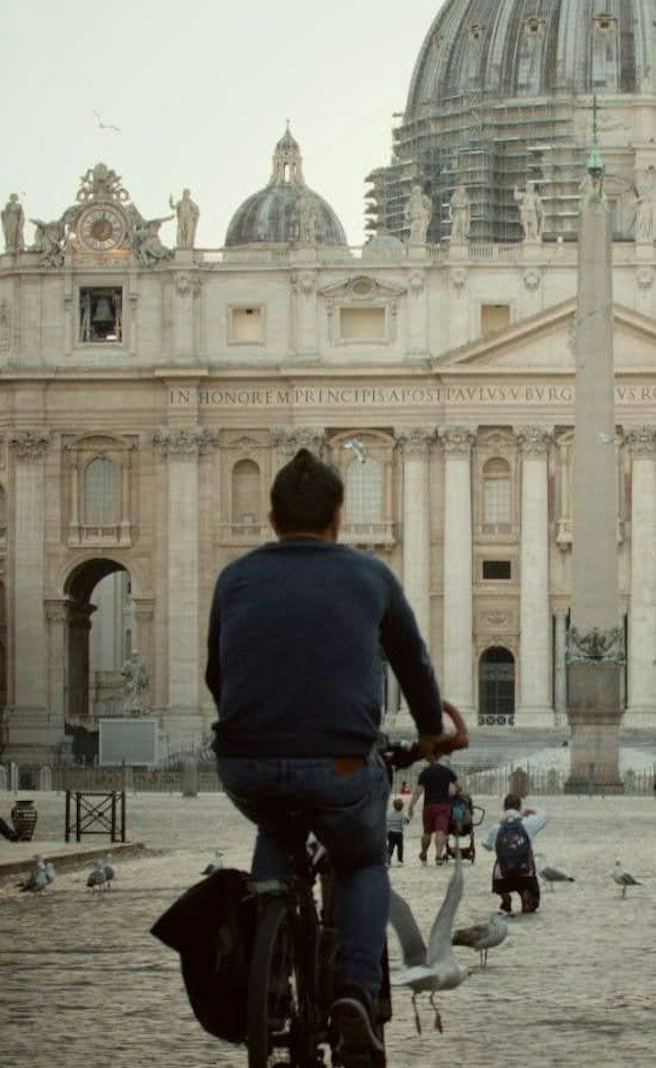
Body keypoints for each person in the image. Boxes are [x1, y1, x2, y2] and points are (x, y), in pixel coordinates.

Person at [205, 447, 465, 1058]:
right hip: (341, 763)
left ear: (272, 520)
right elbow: (414, 666)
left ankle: (268, 979)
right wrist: (431, 731)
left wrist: (251, 722)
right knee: (363, 860)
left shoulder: (234, 578)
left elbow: (217, 674)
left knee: (275, 824)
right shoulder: (370, 576)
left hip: (245, 761)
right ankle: (354, 989)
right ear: (338, 518)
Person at [482, 792, 545, 914]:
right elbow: (544, 815)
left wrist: (499, 827)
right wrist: (529, 811)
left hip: (503, 876)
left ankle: (505, 898)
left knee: (498, 866)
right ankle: (526, 898)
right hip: (525, 874)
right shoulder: (527, 823)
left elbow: (486, 845)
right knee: (527, 879)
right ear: (520, 807)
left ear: (504, 808)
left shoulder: (496, 828)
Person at [408, 751, 457, 864]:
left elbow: (418, 792)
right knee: (441, 831)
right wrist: (452, 793)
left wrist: (411, 806)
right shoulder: (447, 771)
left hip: (429, 806)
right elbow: (458, 786)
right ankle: (438, 856)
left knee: (427, 832)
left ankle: (424, 853)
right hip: (443, 806)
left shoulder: (425, 773)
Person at [385, 797, 408, 865]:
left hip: (391, 833)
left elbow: (387, 823)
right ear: (402, 806)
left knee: (391, 845)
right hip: (399, 833)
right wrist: (407, 821)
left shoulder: (390, 814)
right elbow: (405, 822)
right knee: (400, 847)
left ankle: (388, 856)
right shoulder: (402, 814)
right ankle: (400, 859)